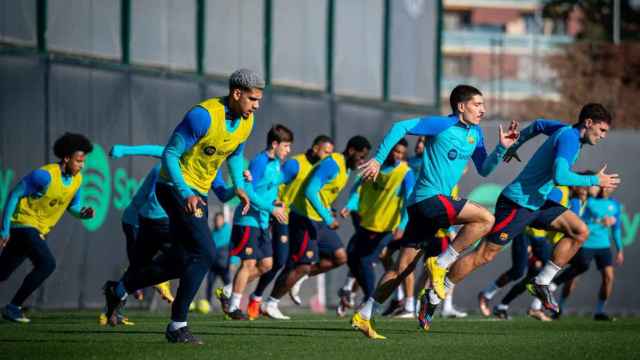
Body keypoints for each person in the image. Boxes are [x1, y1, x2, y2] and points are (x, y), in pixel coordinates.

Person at [418, 103, 620, 333]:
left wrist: (517, 143)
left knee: (580, 231)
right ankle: (433, 296)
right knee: (483, 256)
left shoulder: (563, 129)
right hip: (517, 203)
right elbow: (561, 176)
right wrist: (596, 180)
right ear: (589, 123)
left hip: (538, 202)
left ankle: (542, 281)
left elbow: (538, 125)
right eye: (602, 130)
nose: (603, 136)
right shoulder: (570, 138)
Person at [102, 69, 261, 344]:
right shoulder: (202, 116)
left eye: (259, 100)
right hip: (174, 189)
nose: (256, 105)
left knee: (181, 261)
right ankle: (177, 325)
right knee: (207, 252)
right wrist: (186, 192)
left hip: (197, 193)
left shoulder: (247, 120)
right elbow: (170, 154)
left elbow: (236, 155)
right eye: (253, 98)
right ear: (237, 94)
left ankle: (119, 289)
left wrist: (240, 187)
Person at [353, 85, 518, 339]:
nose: (482, 110)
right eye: (477, 104)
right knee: (486, 218)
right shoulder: (441, 124)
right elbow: (400, 127)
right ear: (461, 106)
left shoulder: (475, 133)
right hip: (429, 199)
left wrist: (502, 148)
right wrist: (377, 159)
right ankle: (442, 263)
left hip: (425, 207)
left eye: (483, 105)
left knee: (402, 269)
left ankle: (364, 314)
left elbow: (485, 169)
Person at [103, 144, 236, 324]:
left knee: (141, 269)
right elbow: (156, 151)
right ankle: (174, 318)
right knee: (184, 260)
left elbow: (223, 193)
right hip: (144, 221)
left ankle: (118, 294)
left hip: (154, 221)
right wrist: (123, 150)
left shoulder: (211, 167)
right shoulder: (178, 159)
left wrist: (240, 187)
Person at [260, 136, 371, 320]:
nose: (362, 161)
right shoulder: (333, 163)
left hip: (317, 220)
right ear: (351, 151)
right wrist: (328, 218)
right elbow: (310, 190)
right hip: (304, 219)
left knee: (340, 257)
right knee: (301, 265)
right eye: (360, 156)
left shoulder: (344, 168)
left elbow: (323, 193)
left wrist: (330, 209)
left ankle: (300, 279)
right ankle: (270, 302)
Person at [0, 133, 94, 323]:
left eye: (83, 162)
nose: (82, 165)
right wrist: (4, 229)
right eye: (78, 161)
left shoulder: (77, 180)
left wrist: (83, 212)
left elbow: (73, 207)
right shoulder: (44, 175)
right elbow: (14, 194)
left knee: (2, 272)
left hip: (36, 230)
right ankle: (13, 307)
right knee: (47, 264)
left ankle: (13, 307)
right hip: (23, 224)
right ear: (66, 158)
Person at [246, 135, 334, 319]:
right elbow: (274, 181)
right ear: (316, 148)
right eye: (326, 151)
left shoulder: (320, 168)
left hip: (298, 218)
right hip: (282, 215)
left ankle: (264, 298)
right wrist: (274, 202)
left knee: (292, 263)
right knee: (278, 261)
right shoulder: (296, 164)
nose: (328, 156)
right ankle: (248, 295)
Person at [224, 124, 293, 320]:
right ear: (274, 144)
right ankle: (234, 306)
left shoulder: (275, 163)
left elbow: (266, 189)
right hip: (248, 220)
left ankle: (229, 290)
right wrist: (273, 209)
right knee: (248, 264)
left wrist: (275, 202)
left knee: (267, 265)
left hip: (262, 222)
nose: (288, 151)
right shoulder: (260, 162)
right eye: (286, 146)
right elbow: (248, 192)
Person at [340, 139, 414, 317]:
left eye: (400, 153)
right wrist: (350, 205)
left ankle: (371, 300)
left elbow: (409, 201)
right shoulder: (373, 165)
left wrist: (402, 225)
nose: (396, 155)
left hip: (386, 228)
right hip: (366, 223)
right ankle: (364, 295)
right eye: (394, 151)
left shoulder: (405, 173)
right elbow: (357, 189)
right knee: (351, 257)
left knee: (366, 260)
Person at [479, 186, 569, 321]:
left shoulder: (574, 200)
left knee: (542, 275)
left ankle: (525, 307)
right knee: (518, 271)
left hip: (541, 240)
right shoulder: (559, 190)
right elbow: (536, 210)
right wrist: (530, 249)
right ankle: (487, 294)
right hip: (525, 233)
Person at [553, 183, 623, 321]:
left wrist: (620, 249)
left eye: (608, 187)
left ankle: (599, 311)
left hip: (604, 245)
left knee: (609, 277)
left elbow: (616, 228)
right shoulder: (588, 200)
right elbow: (578, 220)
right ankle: (558, 308)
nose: (604, 189)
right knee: (573, 277)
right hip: (586, 244)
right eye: (603, 186)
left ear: (613, 189)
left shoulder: (614, 205)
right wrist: (599, 221)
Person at [207, 212, 237, 311]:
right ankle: (208, 305)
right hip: (213, 266)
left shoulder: (228, 232)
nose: (217, 222)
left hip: (225, 266)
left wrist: (233, 261)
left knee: (229, 286)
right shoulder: (212, 233)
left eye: (219, 219)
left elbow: (233, 247)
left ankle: (232, 305)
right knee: (209, 286)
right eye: (216, 220)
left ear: (223, 220)